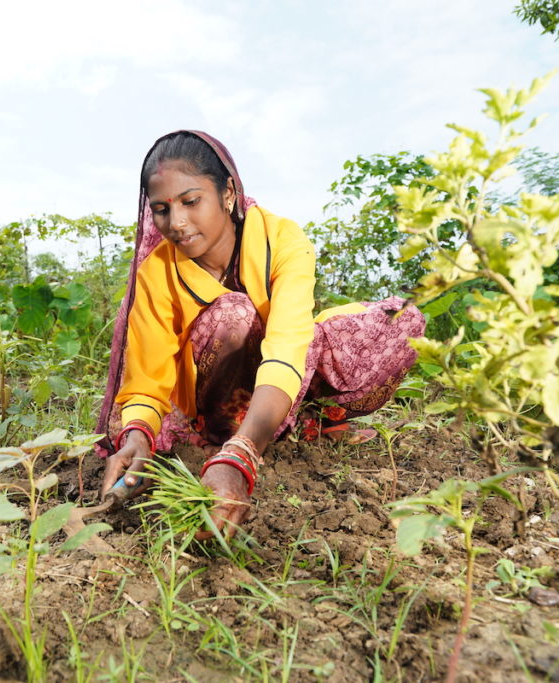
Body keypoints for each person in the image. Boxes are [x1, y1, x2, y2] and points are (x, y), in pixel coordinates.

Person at [96, 130, 424, 539]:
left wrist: (242, 457)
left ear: (228, 193)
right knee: (235, 314)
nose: (176, 223)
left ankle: (293, 423)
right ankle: (226, 438)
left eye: (191, 201)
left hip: (282, 372)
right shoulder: (158, 271)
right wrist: (138, 437)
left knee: (401, 322)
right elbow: (147, 379)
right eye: (161, 209)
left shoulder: (281, 238)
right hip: (209, 405)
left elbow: (288, 346)